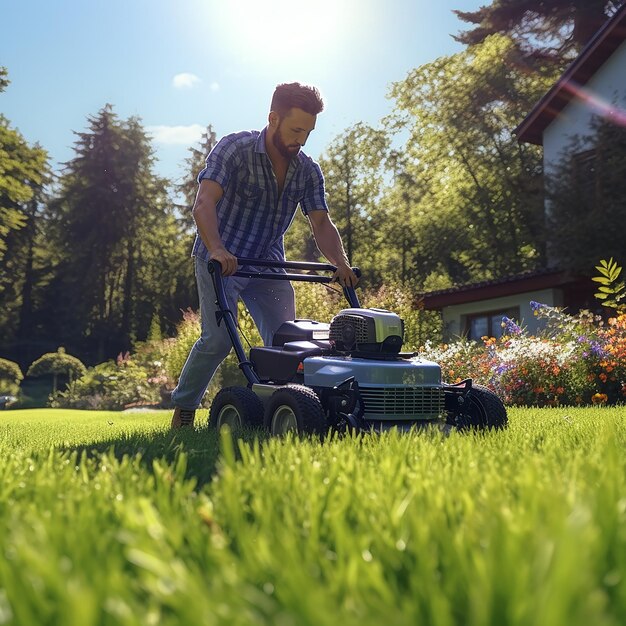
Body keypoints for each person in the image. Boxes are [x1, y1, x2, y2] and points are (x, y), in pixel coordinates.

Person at [171, 82, 359, 427]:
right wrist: (216, 248)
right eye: (295, 129)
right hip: (220, 259)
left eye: (308, 132)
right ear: (273, 118)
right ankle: (184, 408)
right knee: (218, 340)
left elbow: (321, 222)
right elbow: (204, 203)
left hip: (268, 263)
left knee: (288, 341)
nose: (301, 139)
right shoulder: (234, 149)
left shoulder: (307, 170)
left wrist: (341, 264)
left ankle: (284, 410)